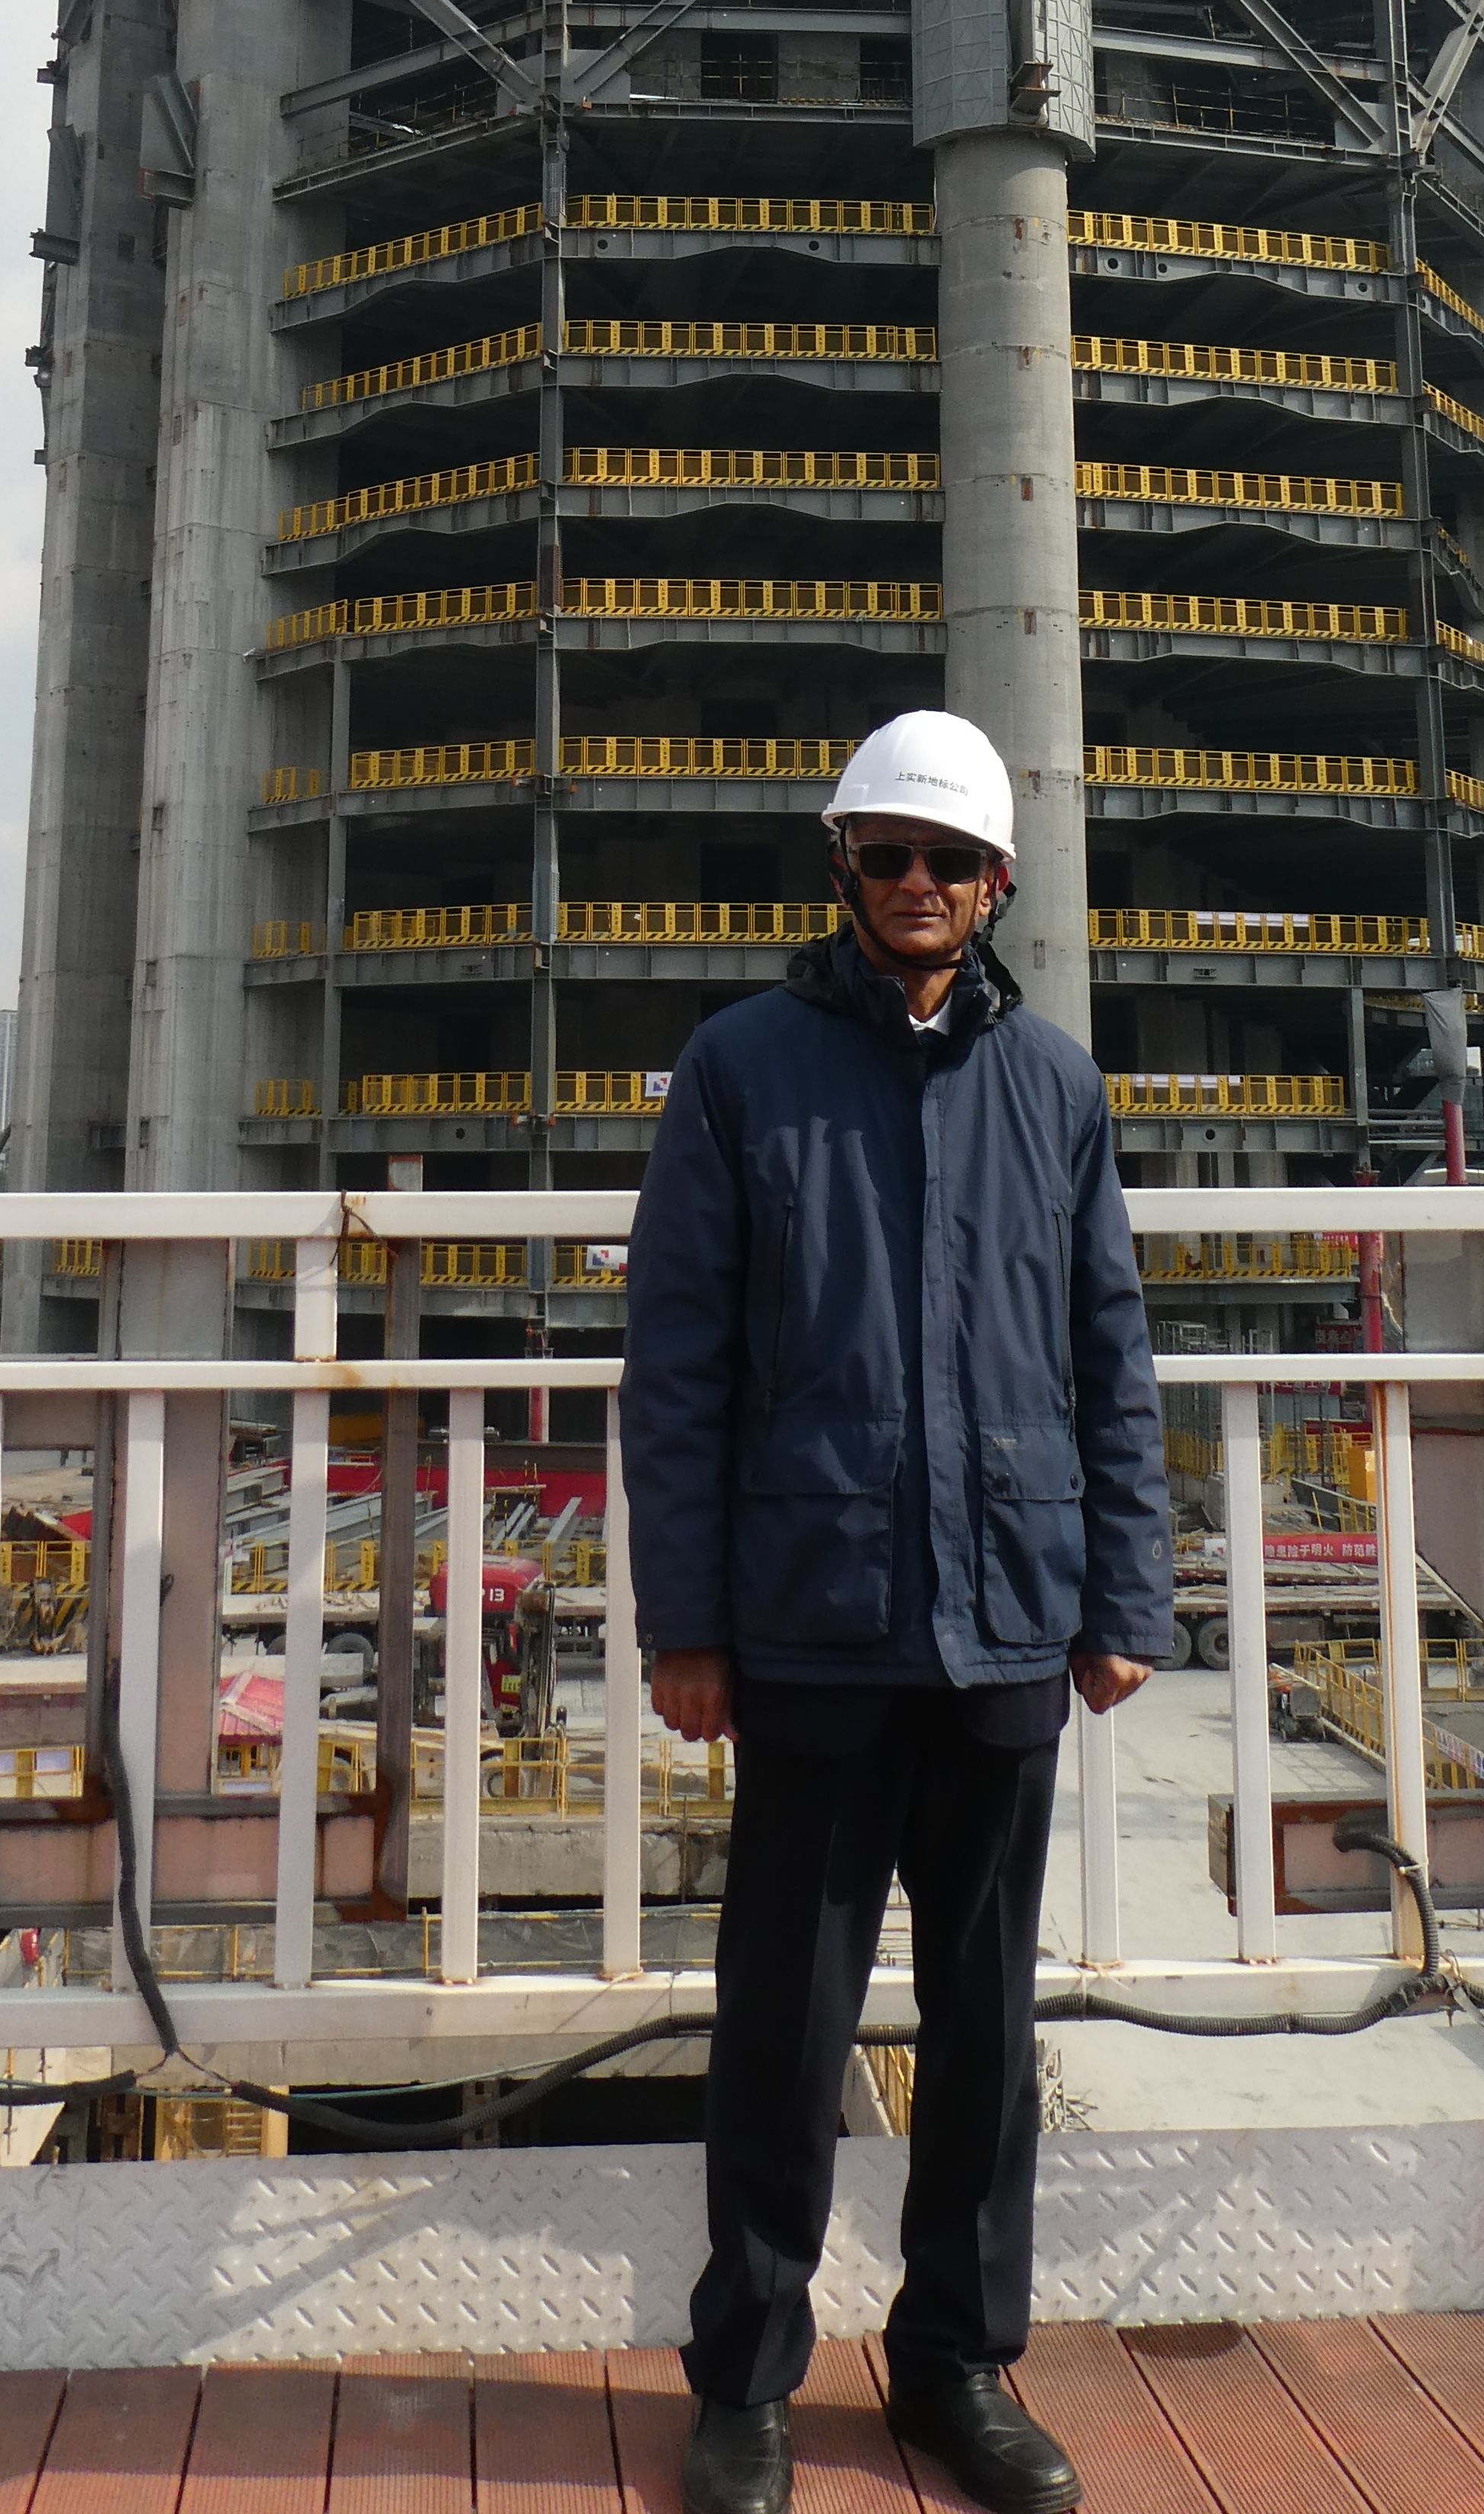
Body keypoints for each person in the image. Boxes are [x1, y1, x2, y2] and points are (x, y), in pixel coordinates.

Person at [619, 711, 1172, 2514]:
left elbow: (1108, 1357)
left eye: (945, 860)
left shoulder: (1056, 1089)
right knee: (782, 2023)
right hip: (811, 1616)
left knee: (985, 2025)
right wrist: (685, 1622)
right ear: (841, 868)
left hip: (1006, 1616)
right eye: (885, 855)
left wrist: (1122, 1592)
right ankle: (744, 2381)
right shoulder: (739, 1070)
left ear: (996, 883)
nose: (915, 883)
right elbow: (675, 1366)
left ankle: (955, 2365)